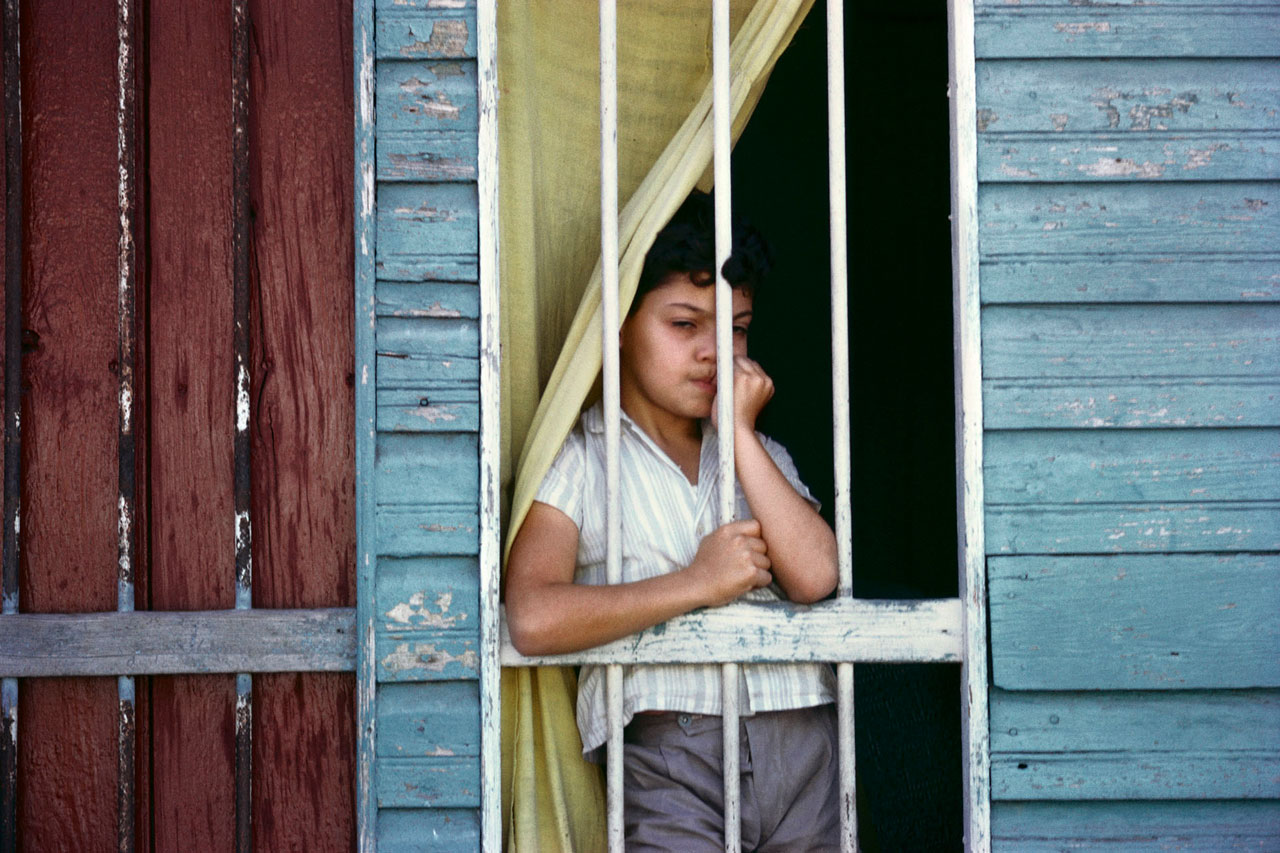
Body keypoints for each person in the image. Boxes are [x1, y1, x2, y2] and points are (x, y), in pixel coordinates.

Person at [505, 190, 841, 851]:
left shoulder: (761, 458)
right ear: (621, 322)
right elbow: (533, 615)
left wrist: (740, 434)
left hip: (803, 739)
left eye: (736, 327)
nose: (714, 350)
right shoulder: (580, 459)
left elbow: (817, 576)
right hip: (670, 753)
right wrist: (698, 583)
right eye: (685, 324)